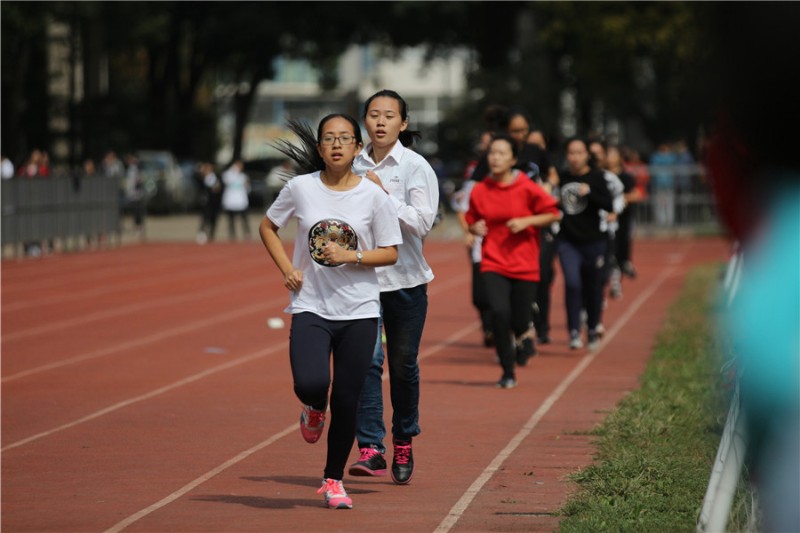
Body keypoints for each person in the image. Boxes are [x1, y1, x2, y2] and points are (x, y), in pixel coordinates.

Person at [259, 113, 402, 509]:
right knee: (310, 382)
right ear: (320, 148)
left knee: (348, 398)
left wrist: (351, 255)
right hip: (311, 306)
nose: (337, 144)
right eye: (329, 138)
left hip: (358, 309)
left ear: (358, 148)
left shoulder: (373, 196)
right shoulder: (299, 188)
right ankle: (312, 408)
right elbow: (268, 227)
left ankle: (333, 479)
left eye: (345, 138)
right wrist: (288, 269)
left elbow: (390, 251)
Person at [347, 89, 439, 485]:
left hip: (405, 282)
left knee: (403, 367)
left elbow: (422, 223)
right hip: (363, 280)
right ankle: (371, 447)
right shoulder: (350, 163)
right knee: (367, 362)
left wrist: (382, 195)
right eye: (373, 114)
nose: (380, 121)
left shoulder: (415, 166)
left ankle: (404, 437)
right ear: (364, 121)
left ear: (403, 123)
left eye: (389, 115)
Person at [465, 134, 560, 388]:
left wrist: (527, 221)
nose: (495, 158)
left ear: (513, 159)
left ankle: (523, 336)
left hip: (524, 263)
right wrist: (475, 229)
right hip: (493, 261)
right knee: (498, 312)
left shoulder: (527, 187)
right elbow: (471, 219)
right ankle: (507, 371)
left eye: (501, 153)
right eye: (492, 153)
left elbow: (553, 213)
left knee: (519, 320)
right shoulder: (481, 189)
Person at [556, 137, 614, 350]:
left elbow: (609, 204)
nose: (575, 157)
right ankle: (573, 330)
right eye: (571, 153)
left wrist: (590, 192)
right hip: (568, 241)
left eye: (579, 152)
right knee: (572, 283)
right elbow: (552, 202)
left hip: (594, 241)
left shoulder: (597, 177)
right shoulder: (562, 177)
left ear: (587, 155)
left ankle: (592, 327)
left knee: (593, 287)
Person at [452, 131, 494, 348]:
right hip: (480, 245)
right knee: (480, 296)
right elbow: (461, 208)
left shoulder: (518, 180)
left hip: (509, 249)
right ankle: (489, 328)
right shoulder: (474, 180)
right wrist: (468, 231)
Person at [221, 159, 251, 240]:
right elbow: (226, 179)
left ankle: (247, 234)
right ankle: (232, 235)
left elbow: (248, 189)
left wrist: (247, 184)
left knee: (244, 219)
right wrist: (234, 170)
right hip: (231, 201)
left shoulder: (243, 176)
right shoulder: (228, 174)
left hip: (241, 201)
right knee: (231, 220)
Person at [196, 162, 222, 244]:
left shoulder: (216, 177)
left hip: (215, 202)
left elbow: (220, 187)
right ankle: (201, 233)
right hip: (206, 202)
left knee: (214, 219)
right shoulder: (202, 178)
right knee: (205, 218)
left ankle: (211, 235)